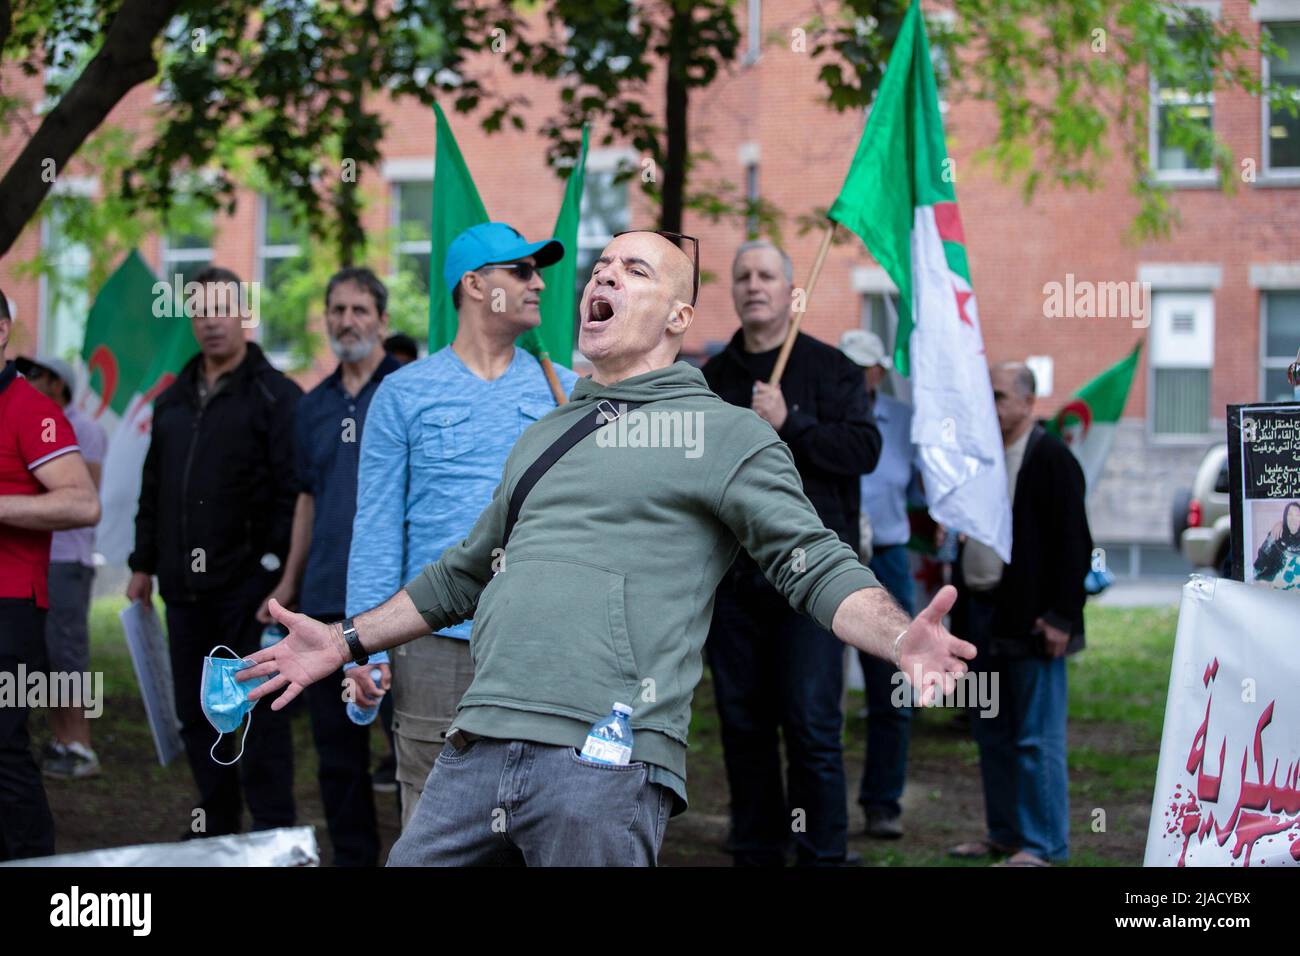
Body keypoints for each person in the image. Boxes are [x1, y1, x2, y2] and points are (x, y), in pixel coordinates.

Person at [241, 231, 975, 867]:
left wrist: (895, 635)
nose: (602, 276)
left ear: (679, 319)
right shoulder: (545, 431)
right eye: (600, 267)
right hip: (476, 742)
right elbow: (460, 576)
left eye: (635, 270)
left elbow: (810, 560)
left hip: (603, 757)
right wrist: (343, 640)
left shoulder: (723, 433)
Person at [347, 222, 578, 827]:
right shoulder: (403, 393)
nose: (539, 283)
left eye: (539, 271)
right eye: (521, 271)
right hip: (431, 637)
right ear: (474, 285)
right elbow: (374, 527)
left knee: (537, 809)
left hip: (540, 638)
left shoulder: (569, 392)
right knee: (432, 813)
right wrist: (361, 648)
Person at [701, 240, 881, 866]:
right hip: (734, 585)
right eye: (743, 275)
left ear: (789, 291)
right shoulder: (713, 378)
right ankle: (756, 847)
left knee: (810, 725)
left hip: (814, 586)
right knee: (743, 723)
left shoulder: (832, 370)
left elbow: (863, 451)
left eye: (767, 275)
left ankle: (821, 852)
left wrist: (792, 421)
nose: (754, 285)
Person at [126, 266, 302, 838]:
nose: (210, 322)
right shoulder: (174, 398)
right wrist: (141, 564)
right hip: (182, 590)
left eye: (221, 310)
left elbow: (292, 494)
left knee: (260, 716)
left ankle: (273, 831)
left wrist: (277, 577)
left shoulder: (276, 395)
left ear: (243, 316)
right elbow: (154, 486)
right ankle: (216, 823)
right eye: (199, 312)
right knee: (198, 710)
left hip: (251, 593)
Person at [253, 268, 400, 865]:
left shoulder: (409, 389)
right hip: (325, 604)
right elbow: (306, 499)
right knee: (338, 757)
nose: (348, 321)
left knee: (415, 747)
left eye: (360, 310)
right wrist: (287, 585)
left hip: (401, 605)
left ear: (383, 321)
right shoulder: (312, 407)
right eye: (337, 310)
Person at [948, 362, 1092, 867]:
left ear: (1030, 403)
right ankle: (1006, 834)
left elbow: (1076, 543)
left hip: (1033, 622)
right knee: (991, 733)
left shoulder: (1051, 457)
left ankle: (1045, 846)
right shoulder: (982, 456)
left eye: (1000, 395)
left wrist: (1061, 616)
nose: (990, 404)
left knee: (1036, 735)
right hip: (981, 619)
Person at [0, 288, 101, 859]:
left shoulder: (32, 408)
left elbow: (82, 504)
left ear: (2, 331)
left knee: (3, 748)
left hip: (9, 603)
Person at [839, 329, 920, 839]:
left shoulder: (904, 422)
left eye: (863, 366)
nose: (855, 374)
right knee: (814, 693)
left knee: (895, 685)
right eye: (846, 364)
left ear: (877, 371)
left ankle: (881, 803)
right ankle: (811, 811)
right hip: (826, 554)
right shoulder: (820, 411)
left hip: (887, 560)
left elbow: (921, 492)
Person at [16, 354, 108, 779]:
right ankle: (60, 739)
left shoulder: (83, 428)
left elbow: (84, 494)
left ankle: (82, 744)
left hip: (68, 557)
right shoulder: (33, 420)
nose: (26, 380)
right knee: (49, 656)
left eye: (34, 373)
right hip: (40, 558)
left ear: (57, 383)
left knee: (70, 655)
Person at [1252, 501, 1300, 587]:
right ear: (1285, 517)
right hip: (1273, 589)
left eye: (1298, 515)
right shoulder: (1277, 534)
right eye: (1290, 515)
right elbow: (1261, 560)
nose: (1294, 518)